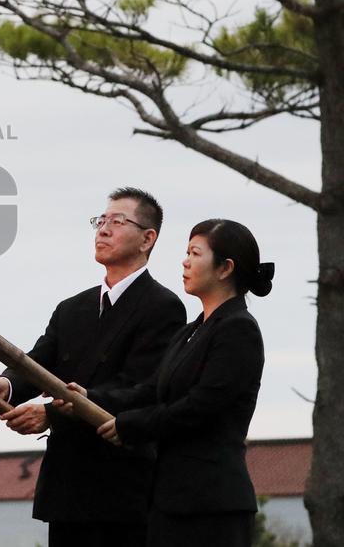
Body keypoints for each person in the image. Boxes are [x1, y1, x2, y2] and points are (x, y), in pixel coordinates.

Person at [0, 188, 186, 547]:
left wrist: (52, 414)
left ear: (148, 239)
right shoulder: (72, 308)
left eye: (118, 222)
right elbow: (37, 364)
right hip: (68, 487)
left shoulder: (162, 307)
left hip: (122, 489)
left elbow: (139, 389)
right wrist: (4, 386)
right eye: (101, 221)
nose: (104, 230)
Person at [69, 219, 271, 547]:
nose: (185, 262)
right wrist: (91, 398)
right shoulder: (190, 331)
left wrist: (129, 426)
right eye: (186, 253)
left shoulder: (238, 329)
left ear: (225, 268)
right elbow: (152, 391)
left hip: (212, 503)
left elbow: (199, 408)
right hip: (169, 499)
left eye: (195, 253)